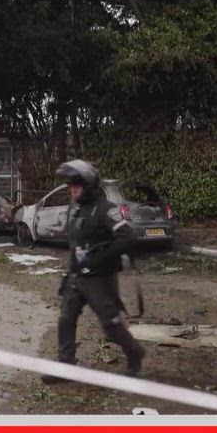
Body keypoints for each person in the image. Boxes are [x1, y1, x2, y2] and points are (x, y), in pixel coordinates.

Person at [42, 159, 146, 384]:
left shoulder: (105, 209)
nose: (72, 190)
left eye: (76, 186)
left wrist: (98, 258)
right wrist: (70, 273)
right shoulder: (77, 208)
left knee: (111, 327)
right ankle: (66, 365)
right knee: (66, 319)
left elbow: (128, 237)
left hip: (100, 279)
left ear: (88, 185)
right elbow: (77, 245)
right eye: (70, 186)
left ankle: (134, 352)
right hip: (78, 277)